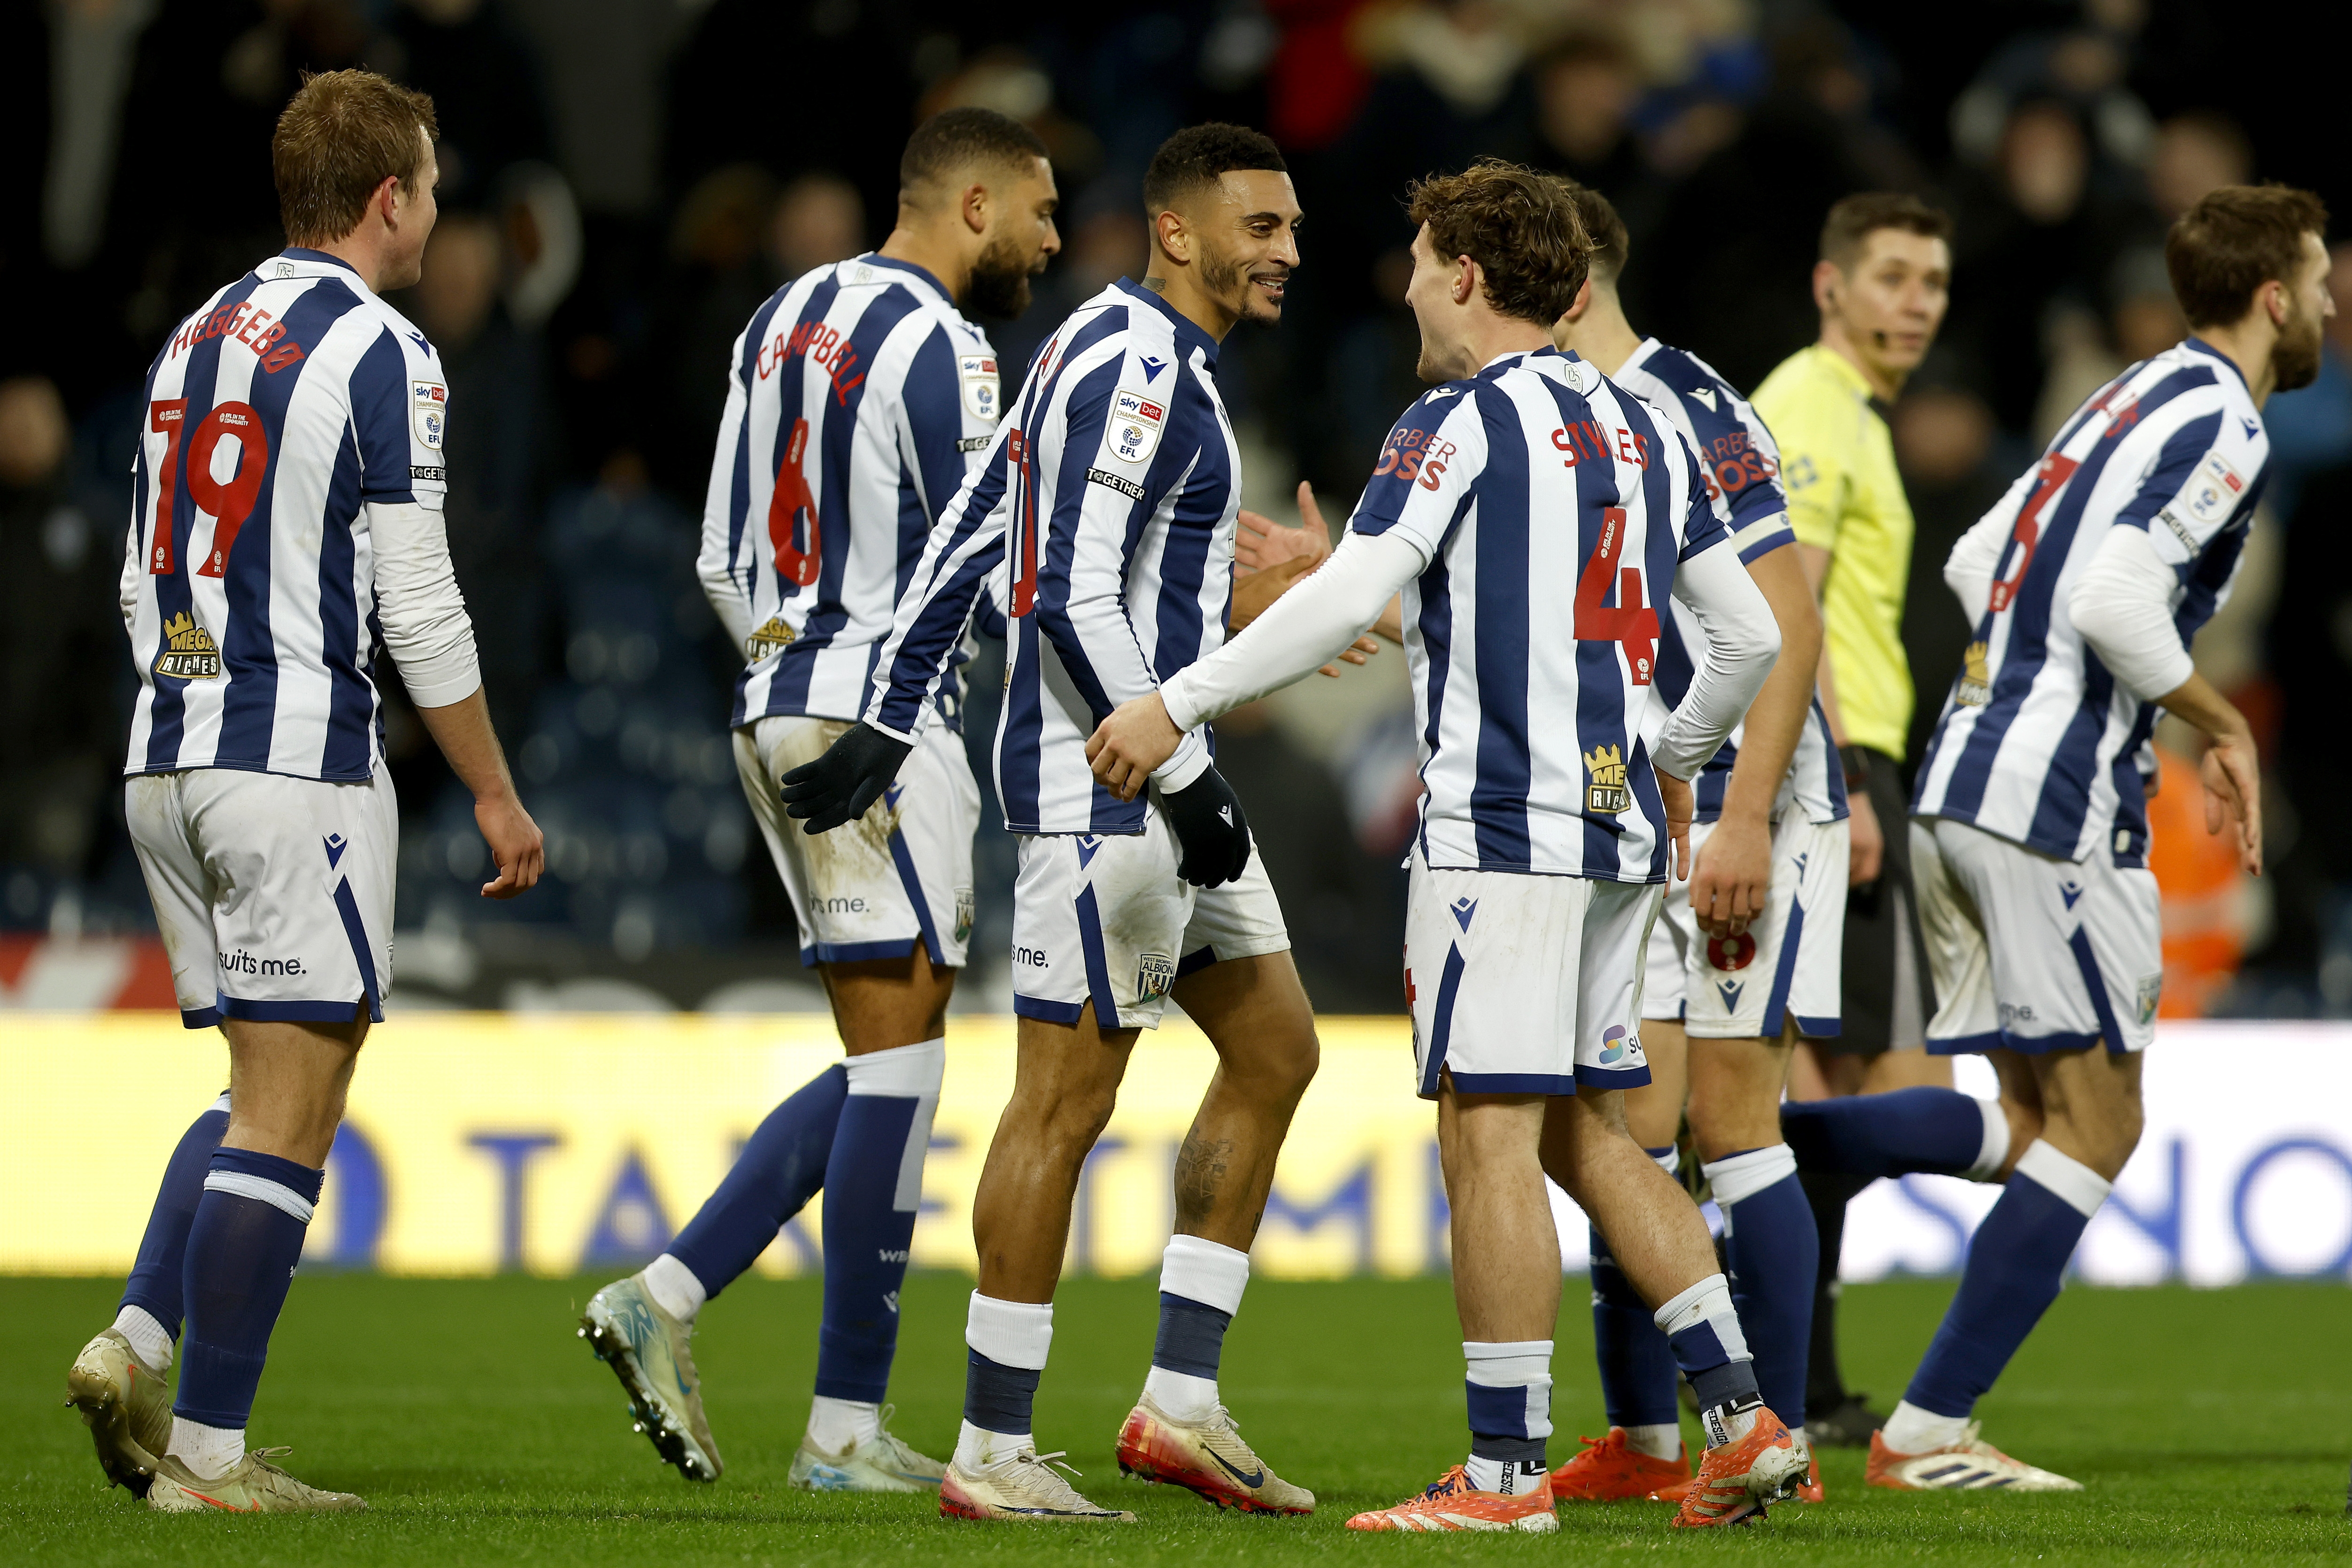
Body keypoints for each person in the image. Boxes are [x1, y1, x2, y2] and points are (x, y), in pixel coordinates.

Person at [1087, 160, 1804, 1533]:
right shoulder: (1641, 421)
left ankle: (1500, 1475)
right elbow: (1749, 637)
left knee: (1486, 1133)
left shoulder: (1456, 420)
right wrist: (1666, 760)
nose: (1405, 283)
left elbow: (1356, 586)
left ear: (1466, 277)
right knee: (1593, 1139)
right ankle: (1746, 1417)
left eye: (1419, 261)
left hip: (1499, 832)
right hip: (1608, 832)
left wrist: (1174, 700)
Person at [781, 123, 1322, 1525]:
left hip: (1163, 775)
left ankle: (1180, 1405)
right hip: (1106, 792)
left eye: (1293, 229)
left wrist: (891, 717)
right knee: (1059, 1107)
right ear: (1181, 232)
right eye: (1259, 228)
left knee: (1274, 1050)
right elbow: (1069, 591)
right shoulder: (1138, 364)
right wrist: (1189, 782)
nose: (1286, 254)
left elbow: (977, 533)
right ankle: (992, 1445)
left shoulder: (1123, 357)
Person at [1782, 182, 2326, 1490]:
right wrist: (2215, 722)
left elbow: (1983, 558)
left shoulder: (2121, 396)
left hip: (1959, 780)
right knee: (2102, 1124)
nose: (2322, 306)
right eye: (2314, 284)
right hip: (2049, 805)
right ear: (2269, 297)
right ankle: (1925, 1430)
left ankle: (1771, 1148)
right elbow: (2110, 594)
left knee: (2036, 1121)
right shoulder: (2223, 423)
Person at [64, 69, 544, 1513]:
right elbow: (421, 604)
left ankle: (136, 1336)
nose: (440, 212)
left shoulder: (191, 338)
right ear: (390, 198)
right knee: (296, 1105)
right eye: (436, 187)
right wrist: (497, 793)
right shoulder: (388, 352)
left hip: (169, 750)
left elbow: (142, 554)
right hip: (293, 760)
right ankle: (208, 1454)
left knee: (257, 1088)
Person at [574, 108, 1061, 1493]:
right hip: (879, 725)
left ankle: (684, 1307)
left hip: (775, 696)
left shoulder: (780, 319)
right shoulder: (950, 349)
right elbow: (988, 547)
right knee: (902, 1069)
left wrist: (786, 672)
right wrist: (882, 700)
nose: (1041, 237)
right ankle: (825, 1417)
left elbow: (722, 553)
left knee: (884, 1064)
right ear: (970, 204)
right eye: (1033, 210)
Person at [1534, 180, 1845, 1507]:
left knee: (1731, 1120)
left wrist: (1742, 814)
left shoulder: (1687, 405)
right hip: (1648, 802)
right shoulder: (1570, 417)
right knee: (1626, 1120)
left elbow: (1784, 620)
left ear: (1565, 286)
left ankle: (1775, 1439)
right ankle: (1650, 1440)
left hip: (1733, 803)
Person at [1748, 192, 1953, 1445]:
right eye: (1890, 276)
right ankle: (1761, 1342)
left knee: (1824, 1081)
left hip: (1853, 764)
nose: (1914, 301)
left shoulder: (1846, 415)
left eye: (1930, 281)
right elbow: (1792, 610)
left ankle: (1796, 1381)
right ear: (1830, 284)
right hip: (1843, 766)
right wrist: (1835, 782)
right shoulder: (1813, 411)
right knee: (1866, 1089)